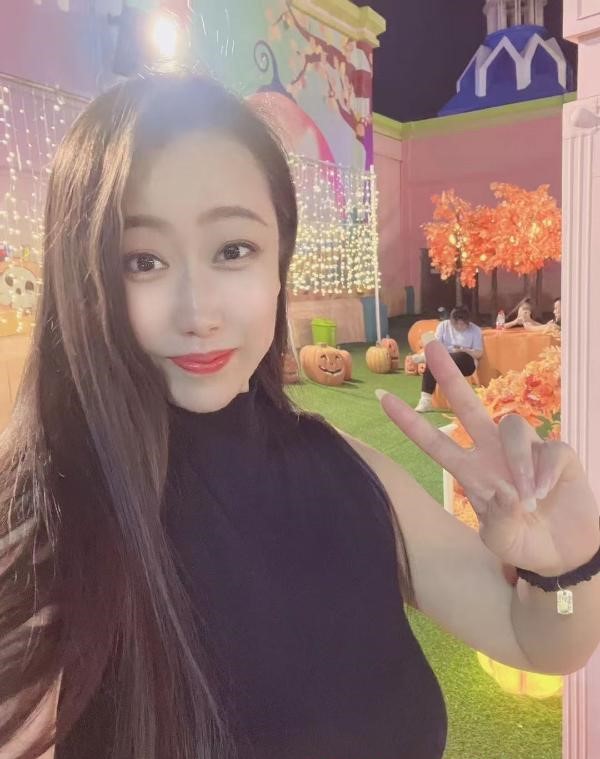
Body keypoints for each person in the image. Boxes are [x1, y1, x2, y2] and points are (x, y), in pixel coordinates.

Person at [2, 74, 600, 759]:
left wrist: (564, 573)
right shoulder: (42, 532)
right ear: (83, 283)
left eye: (234, 250)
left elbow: (538, 639)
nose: (199, 312)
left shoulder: (346, 470)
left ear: (278, 266)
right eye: (143, 261)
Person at [412, 306, 483, 413]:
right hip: (443, 359)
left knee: (455, 356)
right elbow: (436, 345)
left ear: (468, 322)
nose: (459, 327)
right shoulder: (443, 326)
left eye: (463, 324)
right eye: (456, 324)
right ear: (451, 321)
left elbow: (478, 353)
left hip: (466, 361)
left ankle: (426, 357)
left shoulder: (475, 330)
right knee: (433, 362)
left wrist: (464, 349)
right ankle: (425, 401)